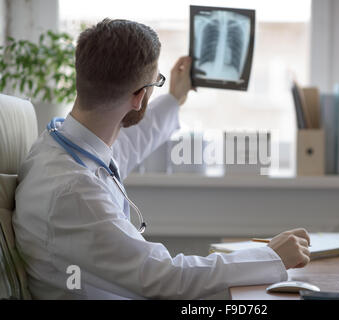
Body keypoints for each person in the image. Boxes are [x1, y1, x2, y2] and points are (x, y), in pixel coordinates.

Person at [13, 18, 311, 300]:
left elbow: (128, 143)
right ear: (140, 95)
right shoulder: (75, 191)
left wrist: (173, 97)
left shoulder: (60, 145)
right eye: (155, 83)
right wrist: (270, 256)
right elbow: (165, 277)